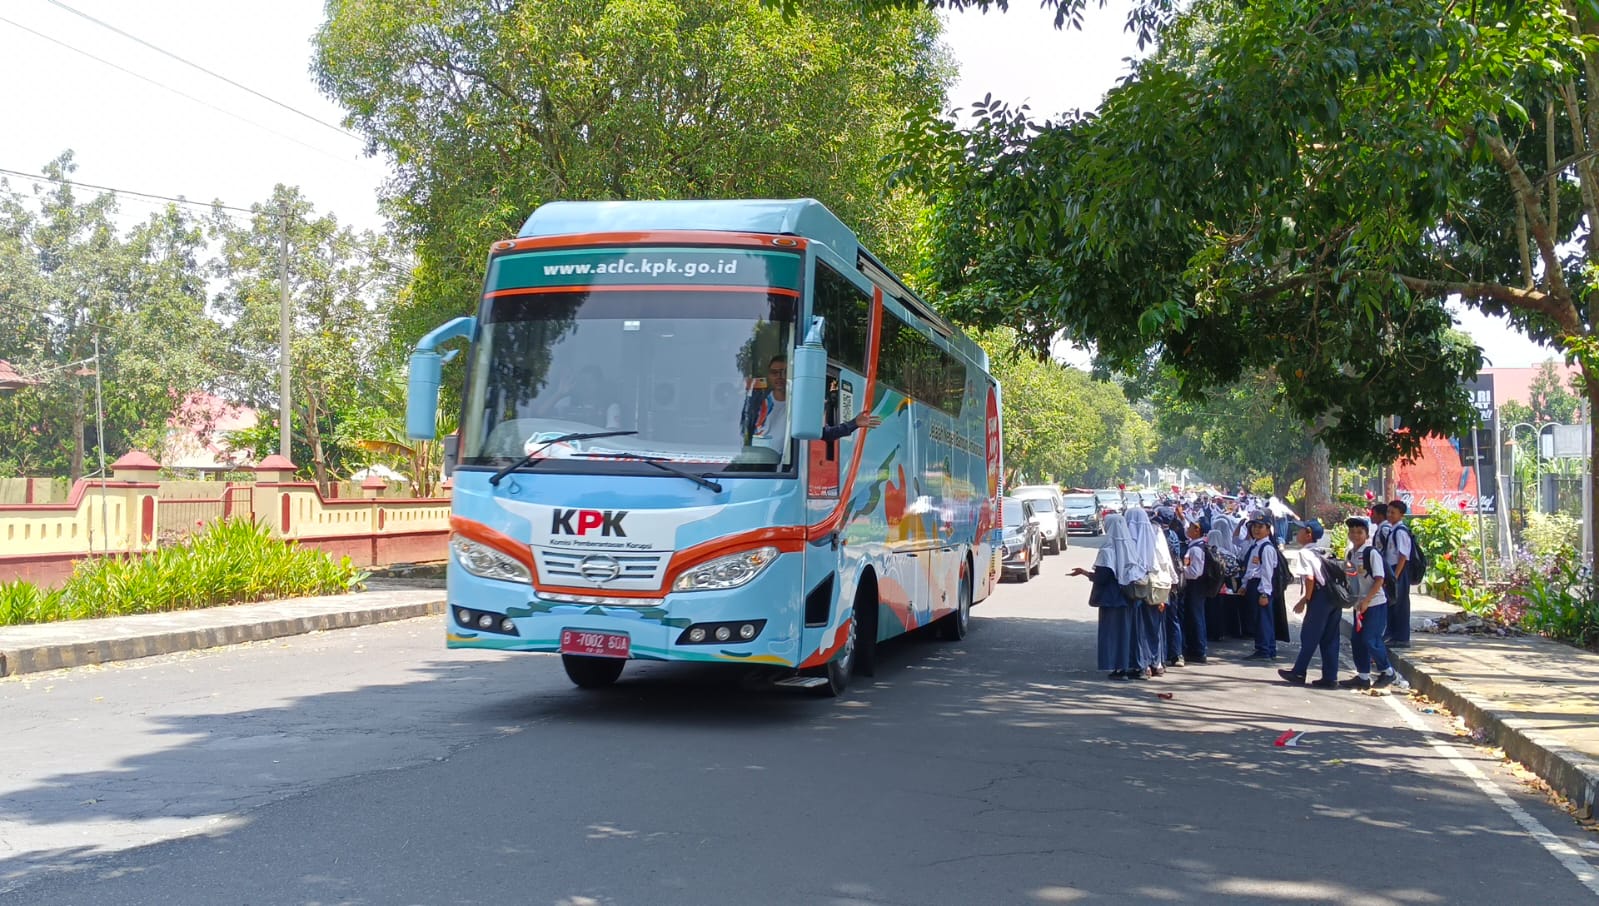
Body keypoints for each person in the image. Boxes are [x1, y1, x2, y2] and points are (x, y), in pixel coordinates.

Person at [743, 354, 877, 451]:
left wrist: (854, 423)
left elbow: (825, 433)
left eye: (784, 372)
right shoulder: (757, 404)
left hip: (785, 468)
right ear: (769, 376)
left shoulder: (801, 406)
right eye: (774, 372)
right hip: (759, 463)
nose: (779, 376)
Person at [1069, 513, 1142, 680]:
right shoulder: (1130, 546)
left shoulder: (1107, 550)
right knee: (1127, 633)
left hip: (1111, 599)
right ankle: (1130, 665)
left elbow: (1102, 577)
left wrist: (1085, 573)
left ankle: (1118, 667)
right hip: (1128, 596)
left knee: (1112, 634)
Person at [1278, 520, 1341, 688]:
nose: (1296, 533)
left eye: (1299, 531)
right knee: (1330, 637)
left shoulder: (1305, 553)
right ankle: (1330, 676)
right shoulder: (1321, 551)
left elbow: (1310, 578)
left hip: (1319, 596)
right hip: (1333, 596)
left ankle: (1299, 671)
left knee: (1310, 635)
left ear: (1308, 533)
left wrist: (1305, 599)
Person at [1341, 517, 1400, 690]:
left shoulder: (1371, 553)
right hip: (1359, 604)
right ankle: (1363, 676)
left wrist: (1367, 600)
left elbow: (1379, 579)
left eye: (1359, 532)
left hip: (1375, 603)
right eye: (1352, 531)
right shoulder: (1351, 554)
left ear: (1367, 534)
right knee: (1357, 640)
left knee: (1370, 639)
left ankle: (1388, 671)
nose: (1355, 535)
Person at [1126, 507, 1176, 677]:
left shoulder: (1130, 536)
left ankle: (1144, 664)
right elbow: (1165, 560)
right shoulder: (1156, 532)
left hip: (1141, 587)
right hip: (1160, 587)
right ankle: (1158, 663)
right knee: (1156, 626)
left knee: (1140, 628)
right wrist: (1173, 581)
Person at [1240, 512, 1289, 660]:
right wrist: (1244, 584)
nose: (1256, 529)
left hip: (1261, 586)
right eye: (1254, 526)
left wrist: (1264, 593)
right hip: (1254, 584)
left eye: (1260, 527)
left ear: (1268, 530)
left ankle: (1264, 650)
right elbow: (1251, 568)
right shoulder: (1256, 545)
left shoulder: (1266, 548)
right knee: (1262, 619)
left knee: (1263, 620)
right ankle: (1268, 648)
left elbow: (1267, 573)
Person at [521, 364, 623, 429]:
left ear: (599, 384)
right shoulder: (567, 401)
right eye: (582, 382)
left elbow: (613, 438)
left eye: (590, 382)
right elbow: (540, 414)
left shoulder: (610, 407)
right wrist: (559, 393)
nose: (585, 386)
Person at [1384, 499, 1415, 648]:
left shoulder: (1400, 532)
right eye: (1388, 512)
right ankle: (1393, 635)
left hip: (1398, 570)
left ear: (1401, 515)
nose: (1389, 515)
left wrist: (1395, 576)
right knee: (1392, 604)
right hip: (1393, 569)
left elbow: (1403, 556)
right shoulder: (1393, 530)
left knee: (1400, 604)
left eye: (1393, 512)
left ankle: (1402, 637)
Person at [1178, 520, 1210, 664]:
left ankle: (1198, 649)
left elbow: (1195, 572)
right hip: (1195, 586)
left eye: (1190, 527)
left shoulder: (1196, 549)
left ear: (1197, 530)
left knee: (1196, 616)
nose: (1187, 529)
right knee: (1195, 616)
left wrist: (1181, 570)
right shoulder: (1195, 546)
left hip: (1195, 585)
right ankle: (1196, 647)